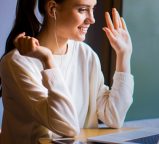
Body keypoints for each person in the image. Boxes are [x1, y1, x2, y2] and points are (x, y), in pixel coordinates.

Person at [0, 0, 134, 143]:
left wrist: (123, 55)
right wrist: (47, 60)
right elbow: (67, 127)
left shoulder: (86, 54)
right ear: (52, 9)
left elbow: (114, 117)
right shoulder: (17, 62)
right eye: (82, 10)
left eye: (92, 9)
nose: (92, 19)